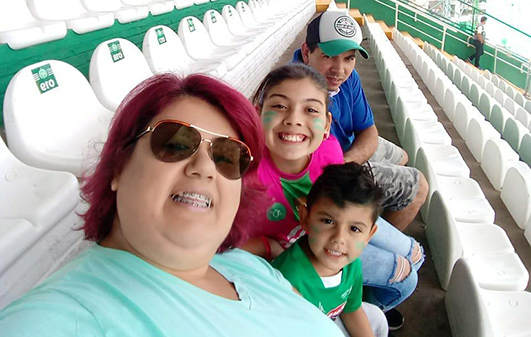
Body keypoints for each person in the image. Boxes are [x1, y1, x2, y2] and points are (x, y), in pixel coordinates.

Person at [0, 73, 345, 336]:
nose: (205, 167)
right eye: (176, 144)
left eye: (227, 156)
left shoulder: (244, 266)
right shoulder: (65, 317)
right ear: (119, 166)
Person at [243, 63, 424, 331]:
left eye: (310, 109)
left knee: (416, 256)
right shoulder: (244, 175)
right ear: (258, 114)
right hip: (295, 259)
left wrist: (354, 231)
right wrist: (268, 247)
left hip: (325, 229)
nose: (294, 119)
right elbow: (221, 250)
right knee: (405, 277)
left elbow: (342, 203)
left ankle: (350, 302)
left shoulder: (329, 151)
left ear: (327, 123)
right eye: (280, 106)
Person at [292, 11, 428, 231]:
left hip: (345, 154)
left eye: (349, 58)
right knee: (419, 186)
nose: (339, 70)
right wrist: (346, 167)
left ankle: (362, 223)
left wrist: (351, 159)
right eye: (328, 56)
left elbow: (368, 130)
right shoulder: (292, 89)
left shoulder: (348, 77)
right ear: (307, 52)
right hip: (324, 172)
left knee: (402, 157)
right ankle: (359, 243)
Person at [272, 162, 386, 337]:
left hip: (327, 324)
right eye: (328, 221)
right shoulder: (287, 279)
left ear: (369, 236)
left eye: (354, 229)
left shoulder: (352, 265)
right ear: (305, 218)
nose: (339, 239)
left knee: (377, 319)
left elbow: (351, 310)